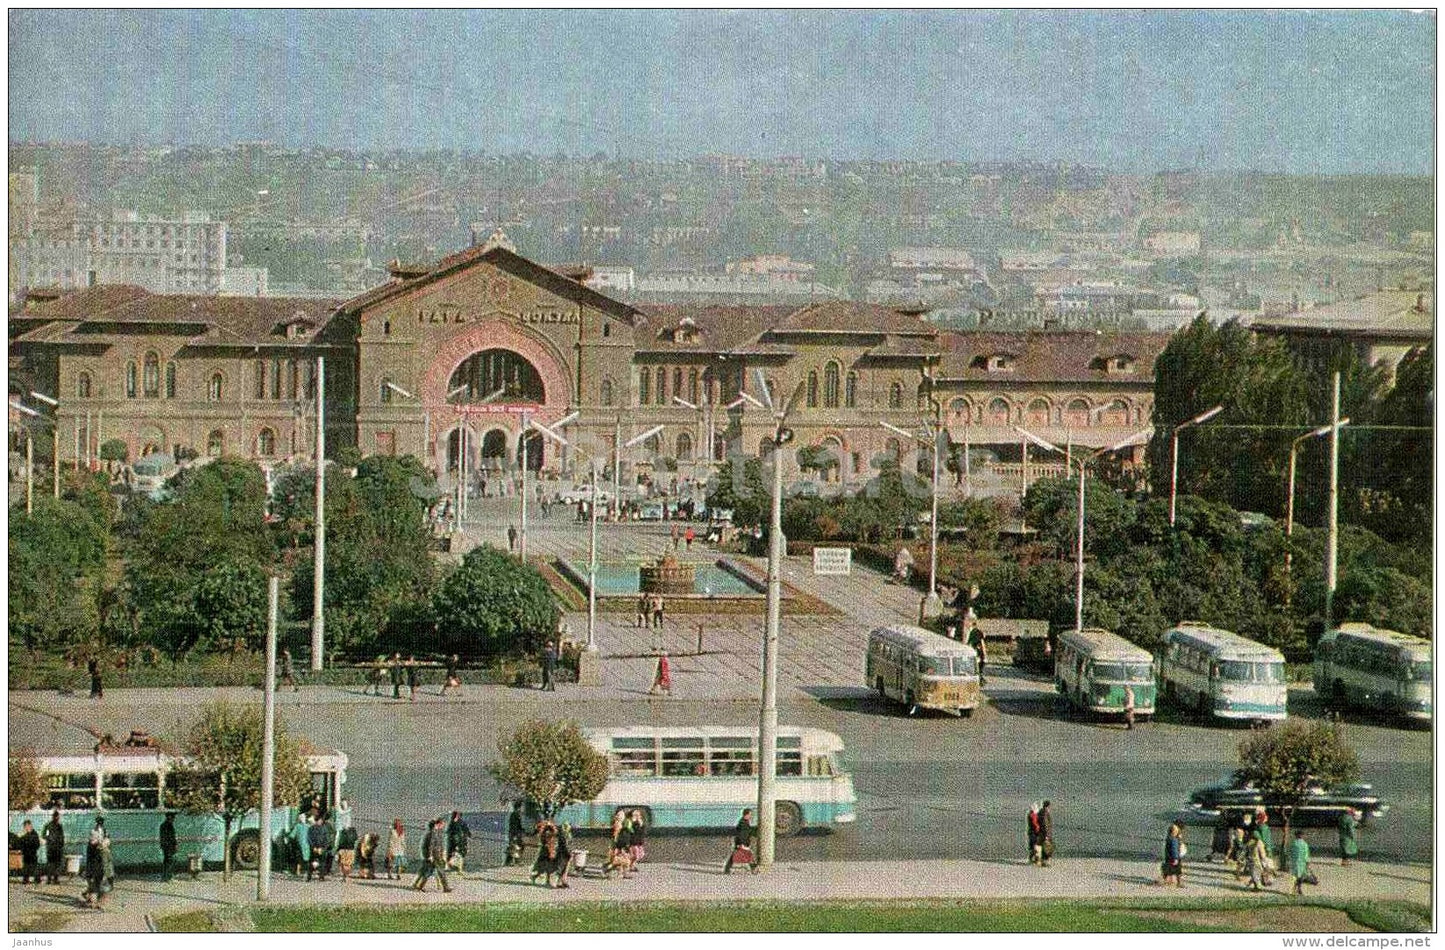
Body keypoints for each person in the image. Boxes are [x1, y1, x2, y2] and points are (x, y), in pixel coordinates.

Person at [412, 817, 451, 892]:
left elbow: (440, 845)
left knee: (429, 872)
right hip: (434, 856)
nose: (443, 825)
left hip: (437, 855)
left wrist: (442, 853)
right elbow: (431, 845)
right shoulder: (433, 832)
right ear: (438, 824)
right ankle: (446, 887)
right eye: (442, 824)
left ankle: (419, 887)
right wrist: (430, 856)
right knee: (439, 871)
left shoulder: (437, 832)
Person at [724, 808, 754, 874]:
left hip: (742, 842)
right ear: (746, 815)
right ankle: (753, 868)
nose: (751, 816)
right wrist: (742, 843)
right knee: (748, 854)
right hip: (741, 843)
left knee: (738, 855)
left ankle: (727, 869)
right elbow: (742, 834)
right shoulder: (743, 823)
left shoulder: (744, 822)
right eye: (750, 814)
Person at [307, 811, 332, 881]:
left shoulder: (312, 828)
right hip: (318, 848)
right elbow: (327, 839)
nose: (320, 821)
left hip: (318, 848)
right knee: (320, 862)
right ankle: (317, 876)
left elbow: (309, 839)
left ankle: (316, 876)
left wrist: (321, 848)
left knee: (317, 862)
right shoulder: (320, 828)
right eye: (320, 820)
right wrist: (319, 848)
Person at [1287, 829, 1314, 895]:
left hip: (1294, 863)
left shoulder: (1293, 843)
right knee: (1301, 876)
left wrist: (1289, 861)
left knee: (1294, 876)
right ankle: (1299, 888)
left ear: (1295, 836)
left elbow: (1289, 853)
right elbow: (1306, 854)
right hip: (1302, 863)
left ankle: (1294, 889)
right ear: (1302, 836)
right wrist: (1308, 862)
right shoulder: (1305, 844)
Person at [43, 810, 65, 884]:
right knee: (51, 864)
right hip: (52, 847)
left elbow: (62, 837)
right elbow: (45, 835)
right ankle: (50, 879)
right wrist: (51, 839)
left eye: (58, 817)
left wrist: (61, 845)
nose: (57, 818)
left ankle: (55, 878)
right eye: (56, 817)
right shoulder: (49, 826)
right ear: (53, 817)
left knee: (56, 864)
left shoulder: (59, 826)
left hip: (56, 847)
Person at [17, 820, 40, 885]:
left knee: (32, 867)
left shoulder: (33, 834)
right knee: (28, 867)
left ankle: (36, 879)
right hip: (28, 854)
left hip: (31, 853)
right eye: (25, 827)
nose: (25, 828)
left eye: (26, 826)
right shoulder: (28, 834)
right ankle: (27, 880)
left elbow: (36, 844)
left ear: (29, 826)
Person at [1161, 821, 1184, 887]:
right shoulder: (1174, 840)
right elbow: (1174, 849)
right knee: (1178, 870)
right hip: (1174, 857)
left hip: (1168, 857)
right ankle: (1178, 883)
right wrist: (1176, 858)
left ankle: (1167, 881)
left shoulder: (1169, 838)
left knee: (1168, 870)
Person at [159, 812, 177, 882]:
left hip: (165, 846)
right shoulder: (169, 826)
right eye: (173, 818)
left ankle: (165, 876)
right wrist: (175, 845)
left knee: (166, 861)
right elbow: (171, 837)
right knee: (169, 861)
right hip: (169, 846)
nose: (173, 819)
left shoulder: (163, 825)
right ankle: (168, 877)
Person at [1038, 800, 1054, 867]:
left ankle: (1042, 861)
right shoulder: (1045, 812)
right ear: (1048, 806)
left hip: (1041, 833)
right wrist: (1047, 835)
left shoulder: (1040, 811)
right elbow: (1045, 824)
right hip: (1045, 833)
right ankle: (1045, 862)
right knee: (1047, 847)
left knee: (1043, 847)